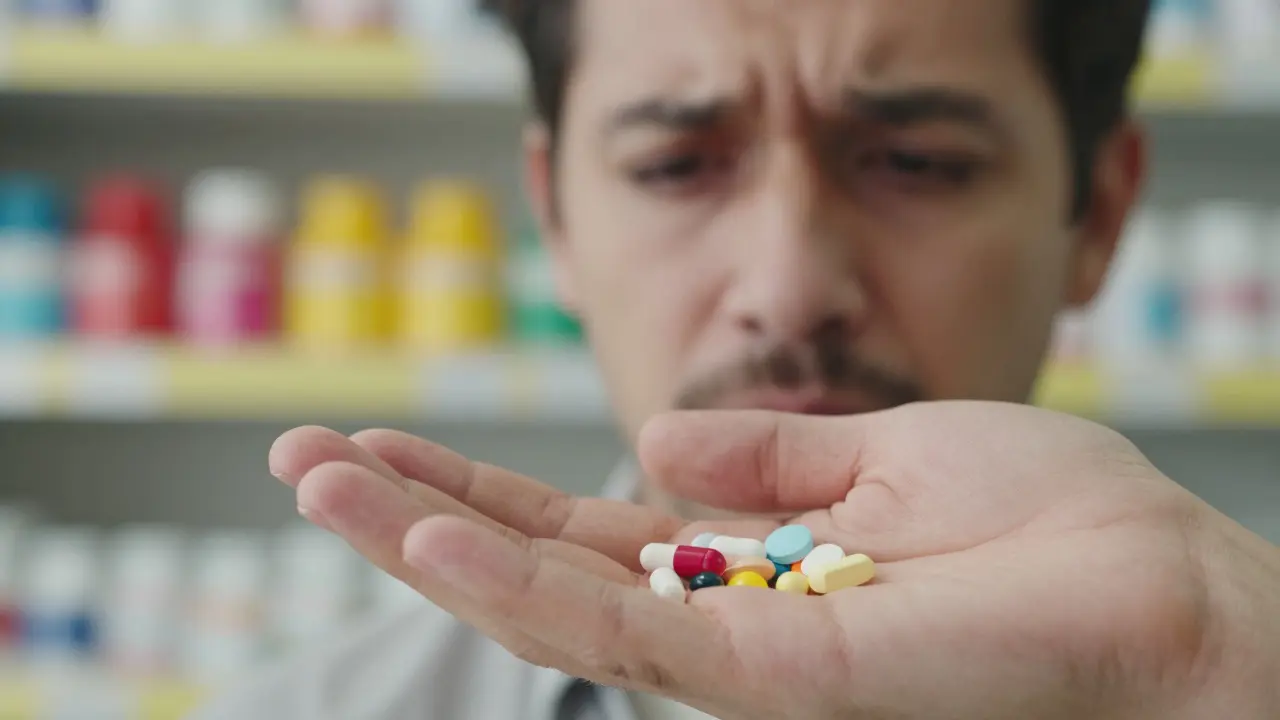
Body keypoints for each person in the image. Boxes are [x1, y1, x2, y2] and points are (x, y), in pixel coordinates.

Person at [188, 0, 1280, 717]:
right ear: (554, 218)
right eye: (674, 165)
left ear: (1095, 213)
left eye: (913, 160)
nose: (788, 288)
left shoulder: (1227, 650)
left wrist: (1226, 653)